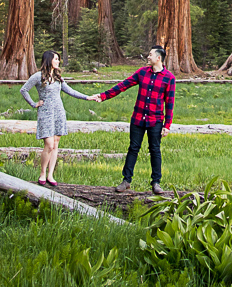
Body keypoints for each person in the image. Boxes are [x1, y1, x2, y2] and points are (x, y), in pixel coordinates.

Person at [98, 45, 175, 194]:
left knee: (155, 150)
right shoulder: (142, 73)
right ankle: (126, 180)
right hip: (138, 118)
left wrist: (167, 125)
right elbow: (123, 85)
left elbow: (169, 103)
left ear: (158, 58)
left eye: (150, 54)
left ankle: (156, 182)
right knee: (133, 148)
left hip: (156, 120)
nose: (148, 57)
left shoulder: (169, 78)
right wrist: (104, 96)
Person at [20, 50, 97, 187]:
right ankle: (42, 173)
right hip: (45, 113)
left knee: (55, 144)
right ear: (49, 60)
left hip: (59, 113)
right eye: (56, 59)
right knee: (48, 144)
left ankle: (50, 175)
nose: (58, 61)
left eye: (58, 59)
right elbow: (24, 90)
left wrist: (87, 97)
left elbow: (70, 91)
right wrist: (34, 104)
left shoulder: (58, 78)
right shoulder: (38, 76)